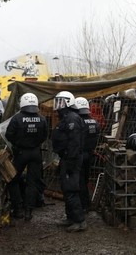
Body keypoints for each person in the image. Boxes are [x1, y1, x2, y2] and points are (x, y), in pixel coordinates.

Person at [5, 93, 48, 221]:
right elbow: (44, 136)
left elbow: (9, 135)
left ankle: (18, 209)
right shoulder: (42, 119)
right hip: (36, 153)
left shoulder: (17, 118)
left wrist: (17, 144)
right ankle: (29, 211)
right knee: (32, 182)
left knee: (13, 179)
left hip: (20, 153)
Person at [51, 91, 87, 232]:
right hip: (66, 158)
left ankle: (79, 221)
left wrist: (71, 161)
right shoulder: (67, 117)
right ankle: (71, 217)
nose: (57, 106)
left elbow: (74, 142)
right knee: (66, 189)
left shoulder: (72, 118)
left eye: (60, 102)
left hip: (71, 158)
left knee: (71, 189)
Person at [75, 97, 99, 212]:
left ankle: (84, 205)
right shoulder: (94, 122)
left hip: (80, 154)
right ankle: (86, 203)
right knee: (85, 179)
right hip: (90, 154)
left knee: (80, 181)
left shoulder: (78, 122)